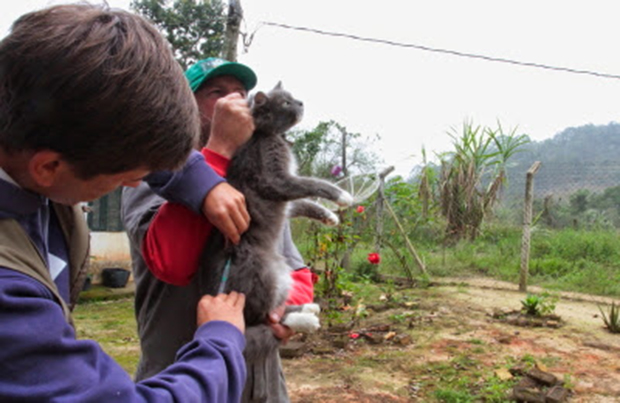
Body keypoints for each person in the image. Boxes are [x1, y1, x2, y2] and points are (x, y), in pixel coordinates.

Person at [0, 4, 248, 402]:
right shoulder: (8, 300)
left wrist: (205, 183)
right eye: (124, 178)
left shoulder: (34, 142)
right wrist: (220, 341)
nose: (140, 182)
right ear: (48, 166)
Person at [122, 57, 317, 402]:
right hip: (180, 381)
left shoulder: (257, 176)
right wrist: (219, 150)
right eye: (217, 92)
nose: (235, 102)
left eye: (242, 93)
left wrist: (284, 309)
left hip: (260, 382)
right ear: (186, 107)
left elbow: (292, 265)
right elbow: (171, 261)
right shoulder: (153, 173)